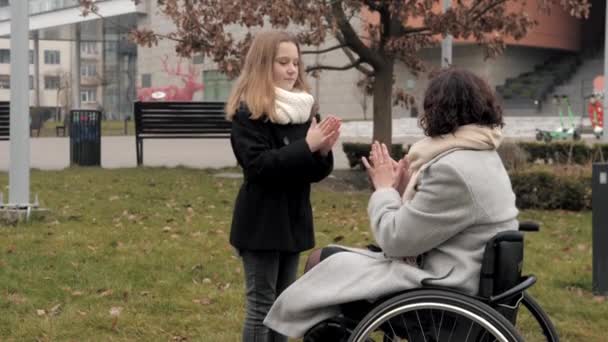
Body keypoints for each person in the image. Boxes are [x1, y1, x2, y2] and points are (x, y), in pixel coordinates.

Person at [263, 67, 519, 338]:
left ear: (439, 111)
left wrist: (385, 190)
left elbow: (395, 239)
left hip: (443, 296)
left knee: (321, 263)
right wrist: (405, 187)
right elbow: (435, 224)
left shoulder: (453, 169)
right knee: (330, 262)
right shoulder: (483, 156)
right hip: (461, 279)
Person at [226, 30, 341, 342]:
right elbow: (259, 166)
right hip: (261, 224)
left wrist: (323, 151)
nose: (293, 69)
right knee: (262, 304)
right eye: (283, 62)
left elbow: (311, 171)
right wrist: (306, 147)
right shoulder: (248, 113)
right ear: (264, 65)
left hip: (292, 221)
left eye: (296, 63)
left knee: (284, 305)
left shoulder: (303, 110)